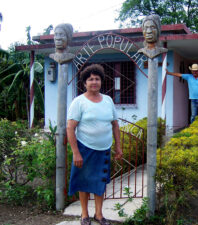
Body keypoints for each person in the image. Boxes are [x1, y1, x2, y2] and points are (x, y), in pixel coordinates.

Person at [67, 64, 122, 225]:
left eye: (97, 79)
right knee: (83, 181)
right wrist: (76, 152)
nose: (94, 82)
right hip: (84, 149)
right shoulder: (79, 102)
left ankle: (99, 214)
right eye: (90, 79)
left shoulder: (108, 100)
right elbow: (70, 128)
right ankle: (85, 215)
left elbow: (115, 124)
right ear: (84, 82)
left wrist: (118, 146)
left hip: (104, 149)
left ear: (101, 81)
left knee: (100, 181)